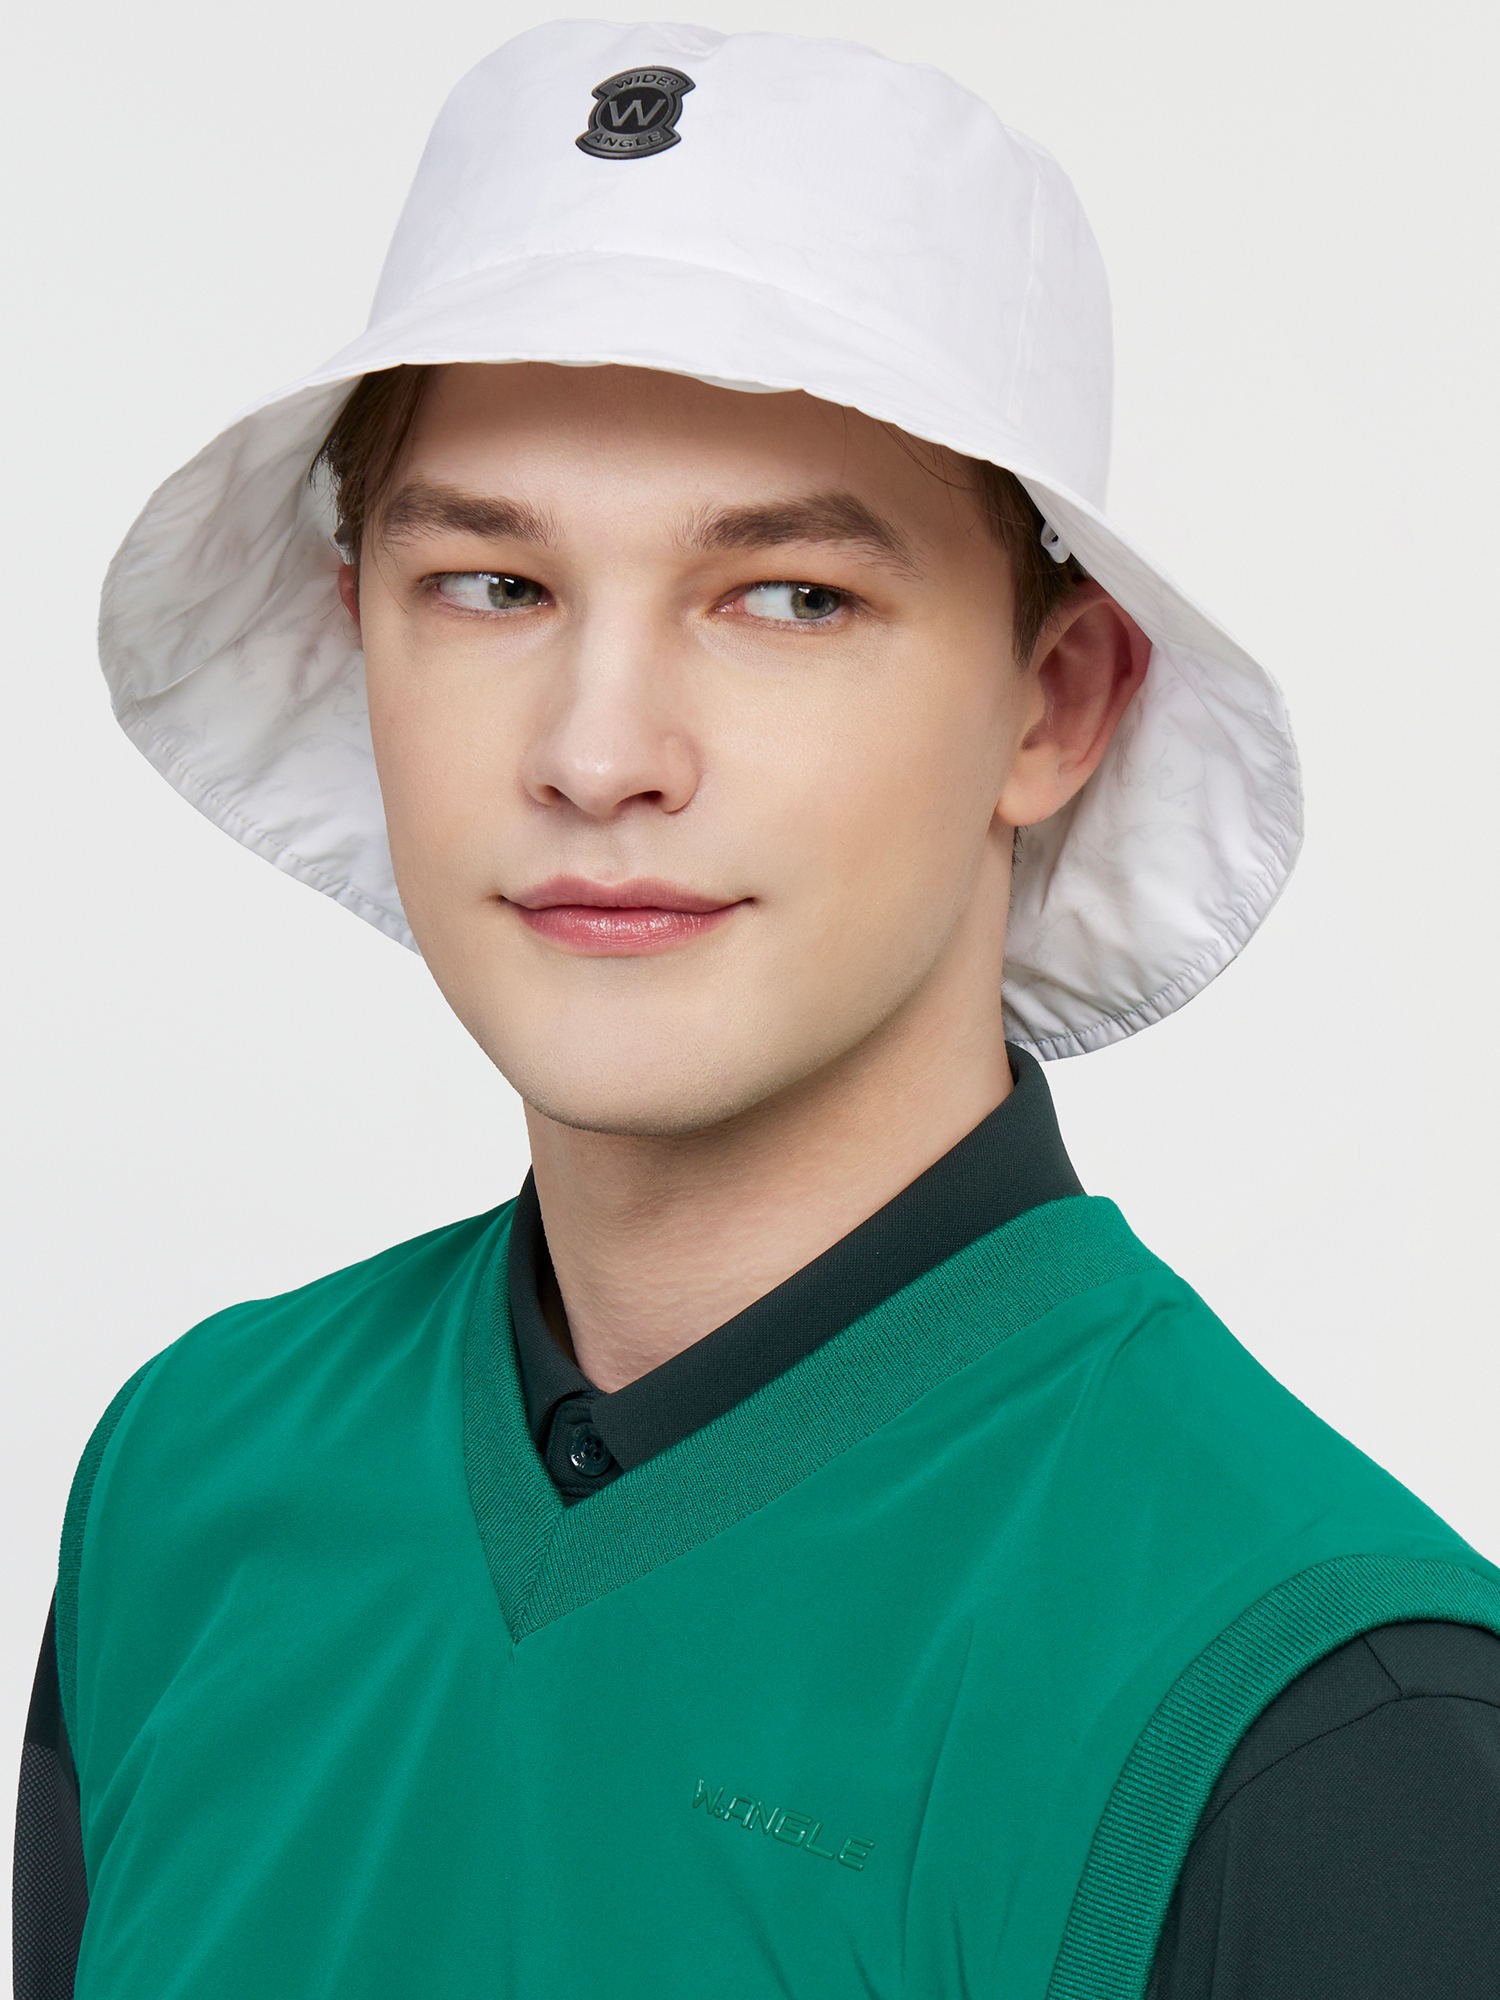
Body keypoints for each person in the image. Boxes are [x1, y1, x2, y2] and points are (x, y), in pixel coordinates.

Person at [14, 20, 1500, 2000]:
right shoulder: (193, 1488)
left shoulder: (1315, 1726)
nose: (598, 752)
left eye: (790, 597)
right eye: (492, 583)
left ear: (1053, 702)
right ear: (353, 628)